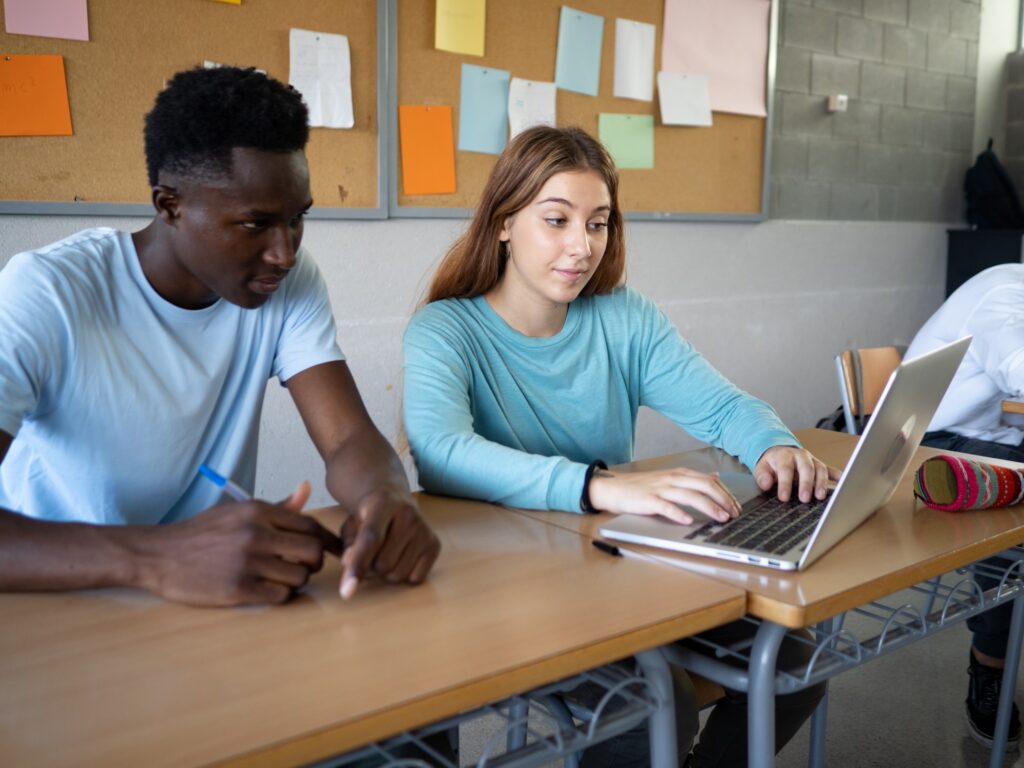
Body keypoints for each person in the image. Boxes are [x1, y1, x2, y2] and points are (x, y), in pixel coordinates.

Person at [402, 125, 837, 767]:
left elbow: (722, 407)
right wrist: (597, 485)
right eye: (557, 220)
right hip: (506, 593)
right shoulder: (446, 329)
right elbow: (440, 451)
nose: (581, 246)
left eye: (598, 224)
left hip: (618, 580)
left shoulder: (622, 316)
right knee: (650, 707)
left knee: (800, 656)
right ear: (502, 223)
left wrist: (772, 443)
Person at [0, 65, 440, 607]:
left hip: (214, 598)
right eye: (255, 224)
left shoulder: (288, 282)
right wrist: (157, 556)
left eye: (297, 218)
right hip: (58, 601)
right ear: (170, 206)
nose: (285, 252)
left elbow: (347, 439)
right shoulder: (48, 291)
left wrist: (386, 499)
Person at [906, 263, 1024, 750]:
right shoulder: (1005, 294)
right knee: (1012, 513)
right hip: (931, 441)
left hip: (987, 434)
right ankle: (990, 663)